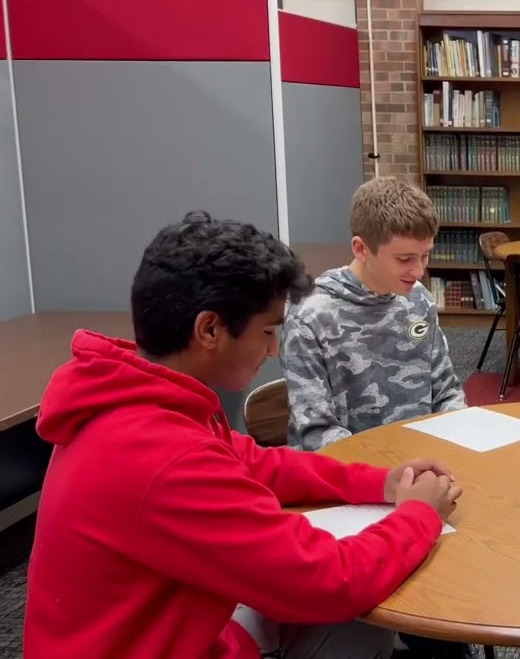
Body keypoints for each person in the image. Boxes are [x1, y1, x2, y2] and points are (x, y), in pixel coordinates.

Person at [23, 211, 464, 659]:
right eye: (268, 331)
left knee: (350, 614)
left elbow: (258, 463)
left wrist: (381, 482)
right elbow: (331, 580)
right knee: (355, 612)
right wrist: (418, 515)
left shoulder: (142, 397)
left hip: (172, 627)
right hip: (153, 643)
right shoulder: (164, 458)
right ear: (209, 329)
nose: (274, 349)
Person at [282, 177, 466, 453]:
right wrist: (392, 470)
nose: (419, 272)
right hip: (350, 473)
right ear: (361, 248)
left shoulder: (418, 299)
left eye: (425, 255)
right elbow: (317, 432)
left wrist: (463, 435)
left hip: (420, 461)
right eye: (404, 259)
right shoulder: (311, 316)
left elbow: (446, 392)